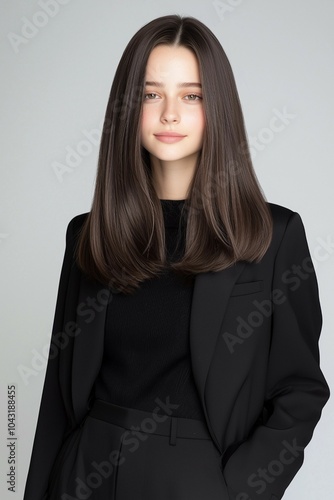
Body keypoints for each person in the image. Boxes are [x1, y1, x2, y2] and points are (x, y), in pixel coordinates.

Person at [23, 14, 329, 500]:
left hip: (198, 478)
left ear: (218, 108)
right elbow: (56, 401)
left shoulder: (274, 234)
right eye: (150, 94)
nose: (170, 113)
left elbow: (301, 389)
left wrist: (239, 490)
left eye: (191, 95)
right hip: (85, 473)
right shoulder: (88, 234)